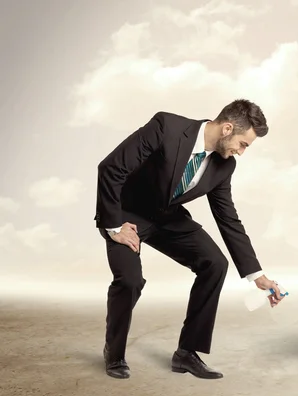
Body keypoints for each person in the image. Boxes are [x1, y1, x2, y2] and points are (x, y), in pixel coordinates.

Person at [94, 99, 284, 380]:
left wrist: (257, 276)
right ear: (227, 128)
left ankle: (186, 353)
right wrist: (113, 226)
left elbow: (228, 218)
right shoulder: (166, 127)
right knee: (131, 281)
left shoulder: (224, 166)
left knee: (215, 263)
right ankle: (115, 352)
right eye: (243, 144)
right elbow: (111, 168)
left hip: (168, 217)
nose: (241, 152)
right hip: (126, 214)